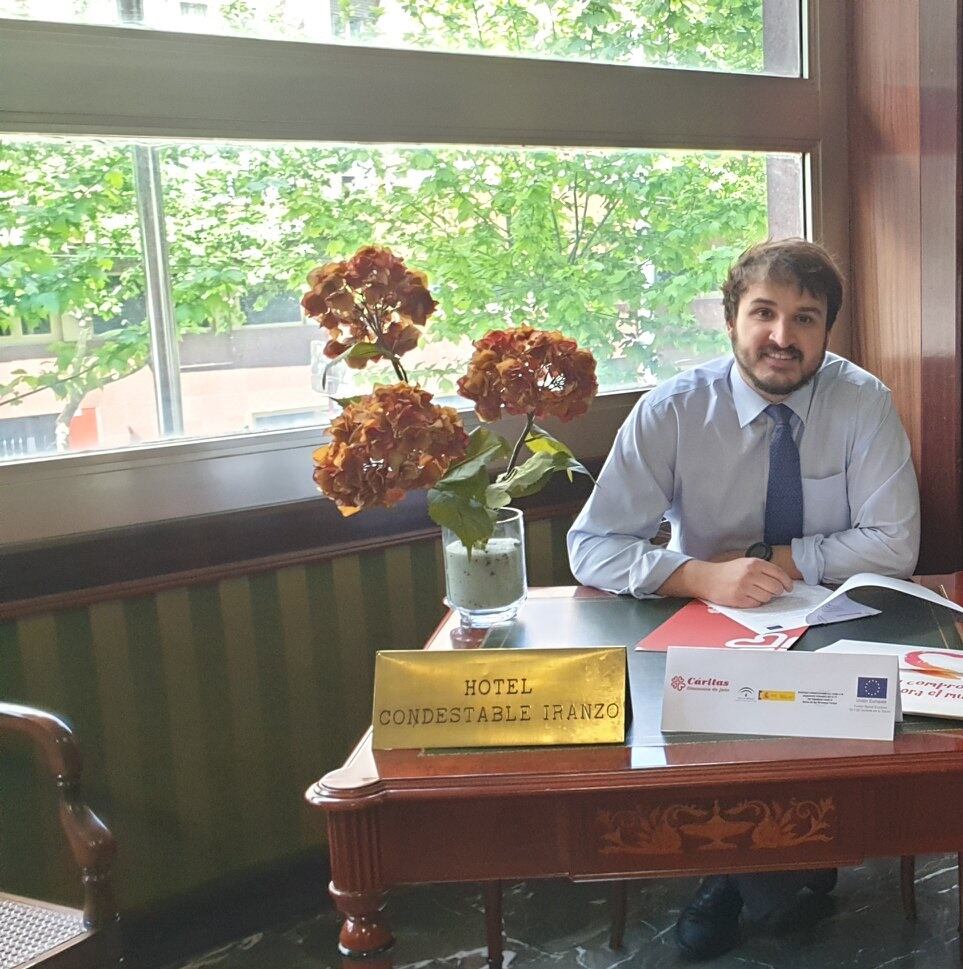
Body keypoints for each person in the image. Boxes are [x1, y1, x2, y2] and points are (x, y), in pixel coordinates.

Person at [567, 238, 920, 960]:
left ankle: (745, 876)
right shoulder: (670, 411)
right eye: (763, 312)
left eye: (805, 318)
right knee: (717, 711)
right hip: (707, 621)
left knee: (837, 705)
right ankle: (765, 873)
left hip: (832, 617)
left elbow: (895, 542)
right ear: (731, 318)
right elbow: (592, 544)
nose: (781, 337)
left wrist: (784, 560)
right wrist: (697, 575)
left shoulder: (862, 402)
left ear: (827, 331)